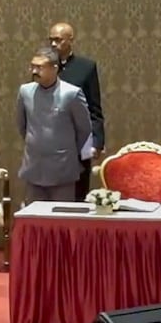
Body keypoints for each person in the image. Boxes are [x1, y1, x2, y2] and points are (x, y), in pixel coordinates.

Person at [17, 47, 92, 203]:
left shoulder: (71, 93)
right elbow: (22, 124)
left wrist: (67, 150)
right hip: (34, 165)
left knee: (61, 221)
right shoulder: (25, 91)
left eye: (40, 67)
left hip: (62, 167)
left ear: (54, 68)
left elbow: (84, 129)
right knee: (34, 220)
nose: (34, 71)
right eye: (33, 66)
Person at [48, 22, 105, 201]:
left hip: (78, 143)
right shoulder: (45, 66)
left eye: (58, 40)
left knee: (77, 196)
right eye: (51, 40)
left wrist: (97, 141)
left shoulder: (85, 67)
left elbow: (94, 108)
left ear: (70, 40)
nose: (53, 45)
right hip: (50, 144)